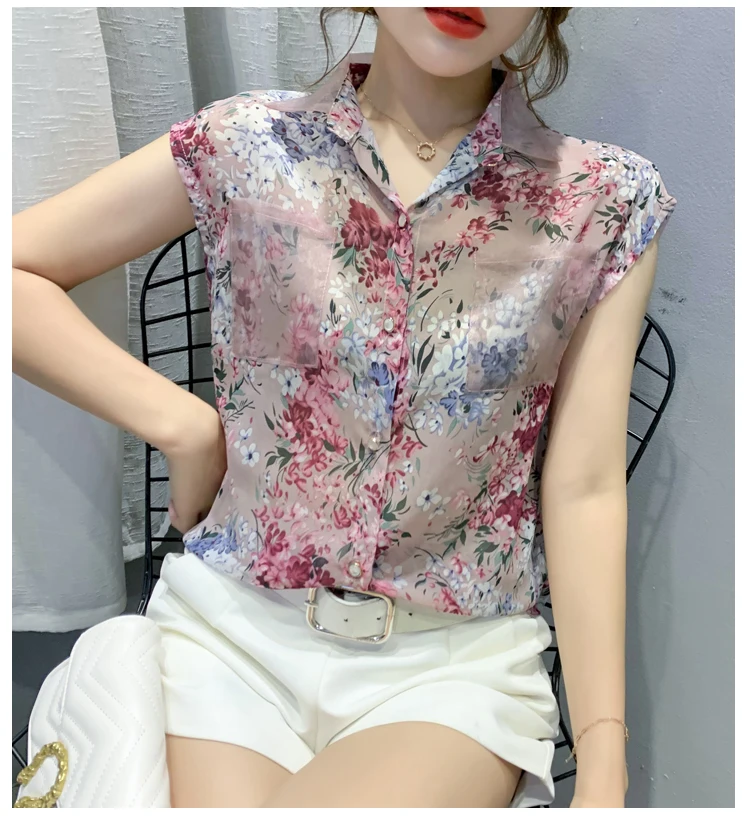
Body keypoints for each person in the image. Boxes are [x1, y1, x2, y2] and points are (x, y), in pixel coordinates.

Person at [12, 6, 676, 809]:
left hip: (451, 667)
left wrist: (603, 759)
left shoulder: (602, 202)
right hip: (229, 637)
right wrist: (180, 423)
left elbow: (585, 486)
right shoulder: (248, 143)